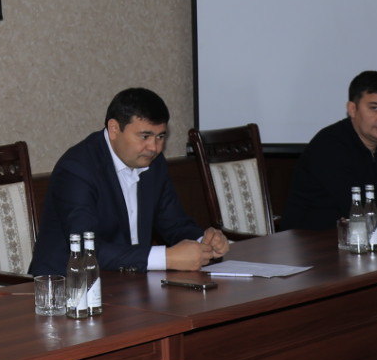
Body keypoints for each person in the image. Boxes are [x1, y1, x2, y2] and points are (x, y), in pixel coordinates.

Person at [31, 87, 230, 274]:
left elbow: (175, 224)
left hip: (127, 282)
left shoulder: (154, 163)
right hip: (65, 287)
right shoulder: (77, 169)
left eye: (160, 136)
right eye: (145, 136)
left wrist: (204, 240)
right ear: (114, 129)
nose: (154, 147)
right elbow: (86, 250)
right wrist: (167, 258)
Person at [281, 70, 377, 230]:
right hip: (310, 243)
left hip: (363, 240)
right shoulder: (329, 145)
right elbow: (356, 211)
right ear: (352, 109)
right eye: (375, 108)